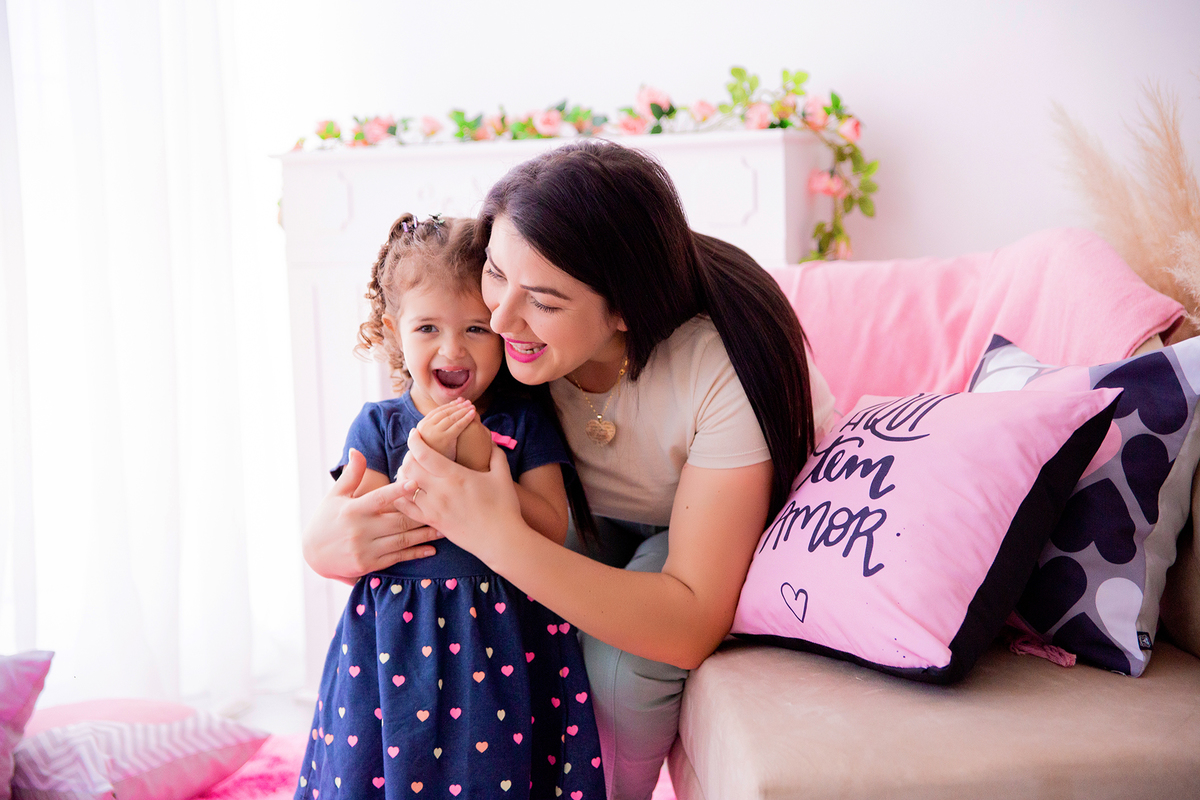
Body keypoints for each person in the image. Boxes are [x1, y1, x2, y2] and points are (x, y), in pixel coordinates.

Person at [303, 141, 837, 800]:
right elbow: (400, 439)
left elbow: (689, 620)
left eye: (544, 302)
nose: (498, 319)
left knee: (620, 672)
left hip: (698, 520)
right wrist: (326, 538)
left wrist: (495, 533)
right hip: (579, 506)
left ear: (623, 310)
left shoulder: (719, 367)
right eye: (495, 274)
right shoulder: (495, 329)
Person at [295, 213, 605, 800]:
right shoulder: (380, 426)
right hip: (395, 643)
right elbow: (366, 531)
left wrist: (482, 462)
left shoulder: (523, 422)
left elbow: (551, 526)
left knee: (497, 771)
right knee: (391, 769)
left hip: (507, 636)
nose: (452, 348)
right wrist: (427, 459)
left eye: (476, 329)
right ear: (395, 331)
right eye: (428, 328)